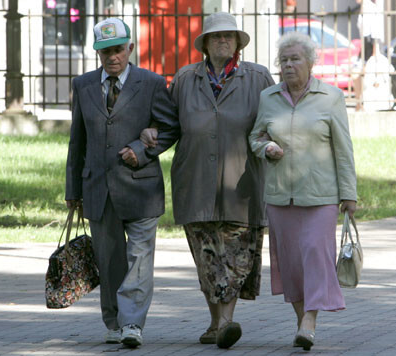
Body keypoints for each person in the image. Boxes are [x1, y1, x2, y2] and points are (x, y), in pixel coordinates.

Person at [140, 12, 274, 349]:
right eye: (216, 37)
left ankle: (225, 322)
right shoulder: (186, 79)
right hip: (195, 182)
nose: (223, 41)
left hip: (242, 184)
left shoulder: (257, 78)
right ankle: (218, 324)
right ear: (205, 44)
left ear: (237, 42)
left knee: (235, 260)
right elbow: (170, 124)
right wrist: (151, 134)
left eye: (229, 36)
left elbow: (276, 122)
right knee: (207, 260)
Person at [65, 18, 179, 348]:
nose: (112, 57)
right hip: (98, 188)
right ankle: (114, 321)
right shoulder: (83, 85)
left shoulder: (152, 83)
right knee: (109, 259)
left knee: (139, 259)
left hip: (141, 187)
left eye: (118, 50)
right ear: (97, 54)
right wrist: (73, 189)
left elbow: (171, 127)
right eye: (105, 52)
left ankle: (132, 324)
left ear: (130, 48)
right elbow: (77, 141)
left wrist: (142, 149)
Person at [249, 32, 357, 351]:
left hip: (320, 195)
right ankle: (302, 323)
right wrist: (265, 146)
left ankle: (310, 319)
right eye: (284, 60)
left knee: (314, 254)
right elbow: (255, 137)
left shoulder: (331, 97)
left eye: (295, 59)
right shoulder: (268, 97)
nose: (289, 65)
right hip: (280, 195)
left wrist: (348, 194)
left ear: (311, 63)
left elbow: (343, 149)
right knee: (291, 265)